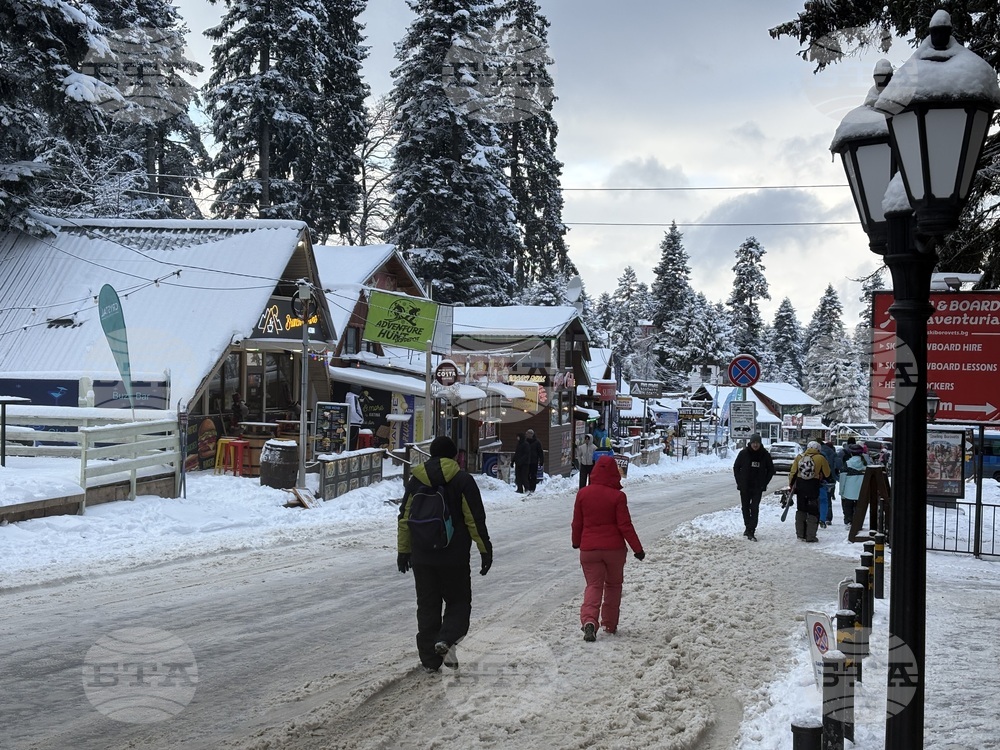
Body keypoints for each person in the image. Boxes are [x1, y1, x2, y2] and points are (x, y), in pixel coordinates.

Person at [396, 435, 492, 673]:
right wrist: (484, 549)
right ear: (454, 456)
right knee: (459, 601)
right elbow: (474, 519)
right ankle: (447, 640)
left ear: (431, 455)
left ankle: (430, 660)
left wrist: (403, 550)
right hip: (454, 557)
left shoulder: (416, 480)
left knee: (427, 606)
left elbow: (404, 518)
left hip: (422, 556)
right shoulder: (462, 480)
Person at [571, 455, 645, 641]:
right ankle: (610, 624)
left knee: (593, 585)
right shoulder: (618, 496)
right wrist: (638, 549)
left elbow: (577, 523)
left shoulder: (583, 494)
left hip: (589, 550)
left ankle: (589, 621)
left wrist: (576, 542)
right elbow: (625, 525)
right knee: (613, 586)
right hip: (614, 551)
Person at [732, 432, 775, 541]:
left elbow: (771, 470)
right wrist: (739, 482)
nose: (755, 445)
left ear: (760, 444)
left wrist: (764, 482)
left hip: (758, 487)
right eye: (753, 443)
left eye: (757, 443)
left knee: (754, 508)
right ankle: (748, 527)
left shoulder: (765, 455)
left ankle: (751, 530)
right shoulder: (743, 454)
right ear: (750, 443)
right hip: (745, 486)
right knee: (745, 508)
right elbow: (736, 467)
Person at [789, 440, 831, 543]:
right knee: (813, 511)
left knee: (801, 510)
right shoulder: (820, 458)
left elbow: (792, 473)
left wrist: (791, 486)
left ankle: (800, 534)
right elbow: (827, 473)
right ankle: (811, 536)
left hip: (801, 487)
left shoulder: (799, 457)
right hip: (813, 486)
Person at [838, 442, 870, 526]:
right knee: (859, 507)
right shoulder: (866, 464)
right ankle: (858, 522)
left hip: (849, 490)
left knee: (848, 507)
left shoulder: (847, 464)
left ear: (851, 453)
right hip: (862, 489)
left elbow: (843, 477)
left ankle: (849, 521)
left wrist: (841, 491)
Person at [819, 438, 840, 528]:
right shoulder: (832, 453)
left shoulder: (813, 454)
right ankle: (827, 518)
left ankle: (815, 517)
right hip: (829, 479)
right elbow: (837, 465)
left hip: (815, 480)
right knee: (826, 499)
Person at [524, 428, 545, 493]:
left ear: (531, 435)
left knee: (533, 475)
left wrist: (541, 461)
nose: (526, 435)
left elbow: (540, 452)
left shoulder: (537, 442)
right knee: (526, 475)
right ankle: (527, 487)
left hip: (534, 461)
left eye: (527, 434)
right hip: (526, 461)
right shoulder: (525, 442)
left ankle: (532, 488)